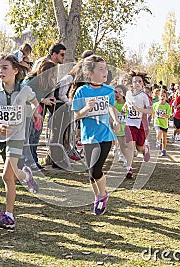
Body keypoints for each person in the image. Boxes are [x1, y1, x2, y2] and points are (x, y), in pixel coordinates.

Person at [0, 54, 41, 229]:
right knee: (14, 173)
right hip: (2, 137)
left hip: (17, 136)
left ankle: (9, 216)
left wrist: (35, 113)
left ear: (15, 70)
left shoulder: (24, 90)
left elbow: (34, 102)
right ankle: (26, 176)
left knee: (6, 175)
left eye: (4, 68)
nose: (0, 71)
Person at [71, 55, 119, 215]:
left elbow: (111, 107)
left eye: (105, 68)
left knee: (95, 170)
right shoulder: (81, 91)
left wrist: (115, 120)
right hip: (88, 136)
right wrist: (86, 109)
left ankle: (102, 194)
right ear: (90, 73)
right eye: (101, 69)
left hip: (105, 136)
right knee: (91, 174)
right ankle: (99, 196)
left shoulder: (109, 90)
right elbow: (76, 115)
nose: (105, 72)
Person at [123, 70, 152, 179]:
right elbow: (128, 102)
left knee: (139, 147)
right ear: (131, 83)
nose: (137, 83)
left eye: (139, 81)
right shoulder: (128, 93)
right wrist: (126, 106)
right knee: (130, 146)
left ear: (143, 83)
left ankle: (145, 149)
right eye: (135, 81)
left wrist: (140, 109)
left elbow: (150, 111)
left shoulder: (144, 96)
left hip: (140, 124)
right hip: (129, 123)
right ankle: (129, 168)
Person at [153, 89, 172, 156]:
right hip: (157, 122)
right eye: (161, 96)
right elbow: (153, 113)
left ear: (166, 97)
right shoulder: (155, 105)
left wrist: (165, 115)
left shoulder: (167, 106)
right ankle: (158, 141)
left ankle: (163, 150)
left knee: (164, 137)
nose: (162, 97)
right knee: (159, 132)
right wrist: (152, 120)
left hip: (164, 123)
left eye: (164, 96)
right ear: (158, 96)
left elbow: (169, 115)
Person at [114, 85, 128, 164]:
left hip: (127, 126)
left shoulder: (127, 103)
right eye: (115, 92)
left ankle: (126, 157)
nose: (117, 94)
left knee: (125, 143)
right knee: (121, 143)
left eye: (120, 92)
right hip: (119, 126)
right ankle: (122, 156)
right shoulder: (114, 103)